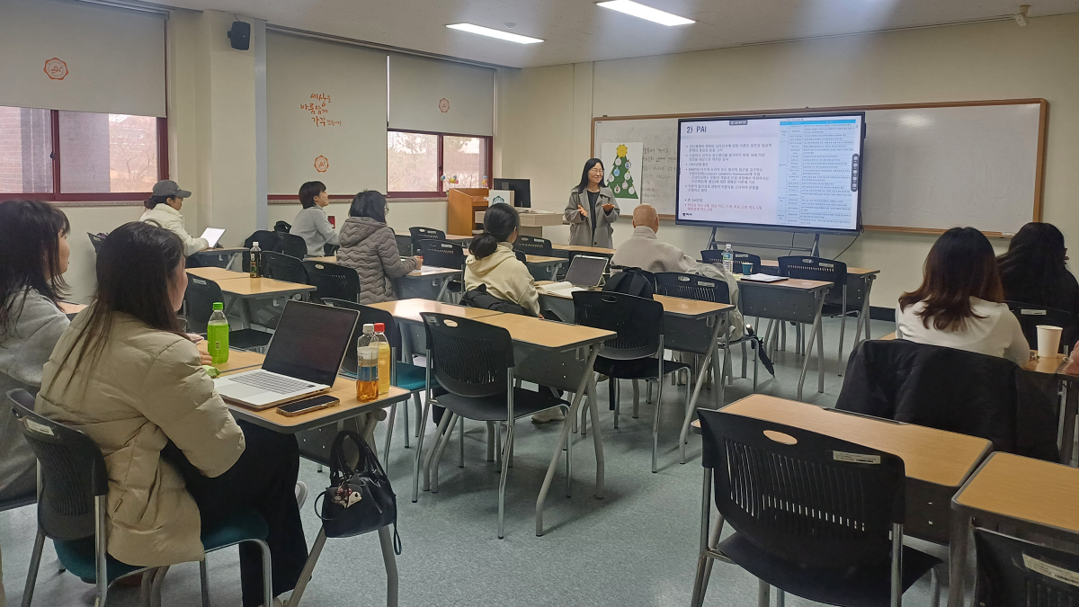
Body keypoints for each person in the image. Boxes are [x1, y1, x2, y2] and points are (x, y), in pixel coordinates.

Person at [35, 222, 307, 607]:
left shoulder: (84, 325)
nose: (186, 278)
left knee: (260, 450)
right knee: (276, 447)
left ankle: (272, 582)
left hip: (80, 508)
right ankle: (271, 588)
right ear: (162, 282)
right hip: (133, 516)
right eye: (182, 269)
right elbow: (220, 457)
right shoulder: (163, 353)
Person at [0, 200, 71, 506]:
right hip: (16, 466)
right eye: (63, 236)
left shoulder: (10, 301)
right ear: (41, 249)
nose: (67, 245)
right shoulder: (31, 313)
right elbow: (91, 377)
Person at [897, 227, 1029, 365]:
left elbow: (901, 351)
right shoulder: (1001, 317)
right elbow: (1022, 360)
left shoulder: (906, 307)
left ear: (933, 266)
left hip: (917, 379)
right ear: (988, 271)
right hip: (977, 380)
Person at [612, 204, 743, 336]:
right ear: (657, 222)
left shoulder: (619, 251)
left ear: (633, 223)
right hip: (658, 323)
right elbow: (697, 271)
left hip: (620, 322)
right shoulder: (666, 251)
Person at [337, 190, 421, 304]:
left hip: (346, 299)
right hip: (375, 301)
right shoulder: (383, 233)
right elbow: (395, 270)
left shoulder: (346, 230)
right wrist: (414, 262)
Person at [465, 203, 541, 317]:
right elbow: (533, 309)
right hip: (511, 325)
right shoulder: (516, 267)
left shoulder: (472, 259)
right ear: (514, 232)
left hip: (476, 322)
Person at [997, 222, 1079, 316]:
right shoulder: (1068, 281)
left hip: (1003, 324)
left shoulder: (998, 273)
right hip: (1054, 326)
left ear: (1016, 245)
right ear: (1059, 251)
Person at [141, 180, 208, 257]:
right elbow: (187, 247)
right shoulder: (169, 219)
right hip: (164, 261)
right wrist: (205, 242)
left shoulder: (147, 214)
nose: (182, 200)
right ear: (169, 200)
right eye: (179, 197)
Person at [563, 158, 619, 248]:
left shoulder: (607, 193)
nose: (598, 174)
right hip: (580, 242)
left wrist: (608, 212)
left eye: (601, 171)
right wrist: (579, 214)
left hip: (602, 242)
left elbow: (614, 217)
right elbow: (568, 214)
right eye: (595, 170)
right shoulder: (577, 193)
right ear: (587, 172)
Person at [290, 180, 340, 257]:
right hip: (311, 259)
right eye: (324, 192)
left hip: (300, 258)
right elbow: (333, 239)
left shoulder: (304, 212)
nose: (327, 195)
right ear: (316, 198)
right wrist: (353, 241)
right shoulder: (316, 213)